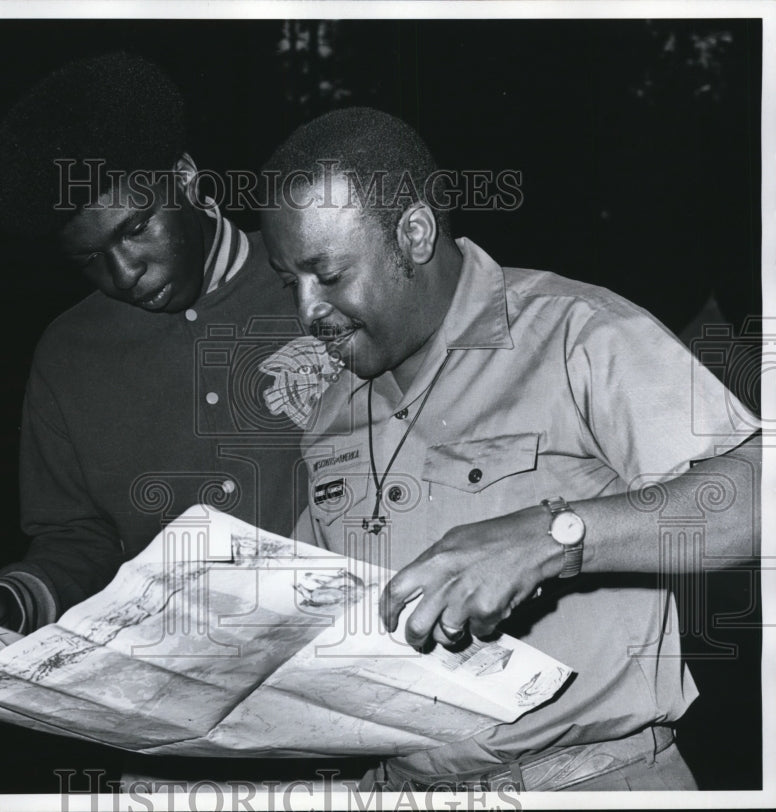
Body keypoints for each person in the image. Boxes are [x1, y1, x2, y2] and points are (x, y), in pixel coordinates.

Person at [258, 107, 762, 792]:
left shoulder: (577, 334)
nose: (307, 312)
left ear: (413, 233)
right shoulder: (332, 411)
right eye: (292, 283)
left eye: (330, 275)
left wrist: (554, 538)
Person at [0, 52, 306, 635]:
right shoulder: (69, 354)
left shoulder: (317, 288)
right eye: (90, 258)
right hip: (172, 671)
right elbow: (79, 537)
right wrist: (8, 602)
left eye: (136, 228)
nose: (124, 272)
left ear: (184, 176)